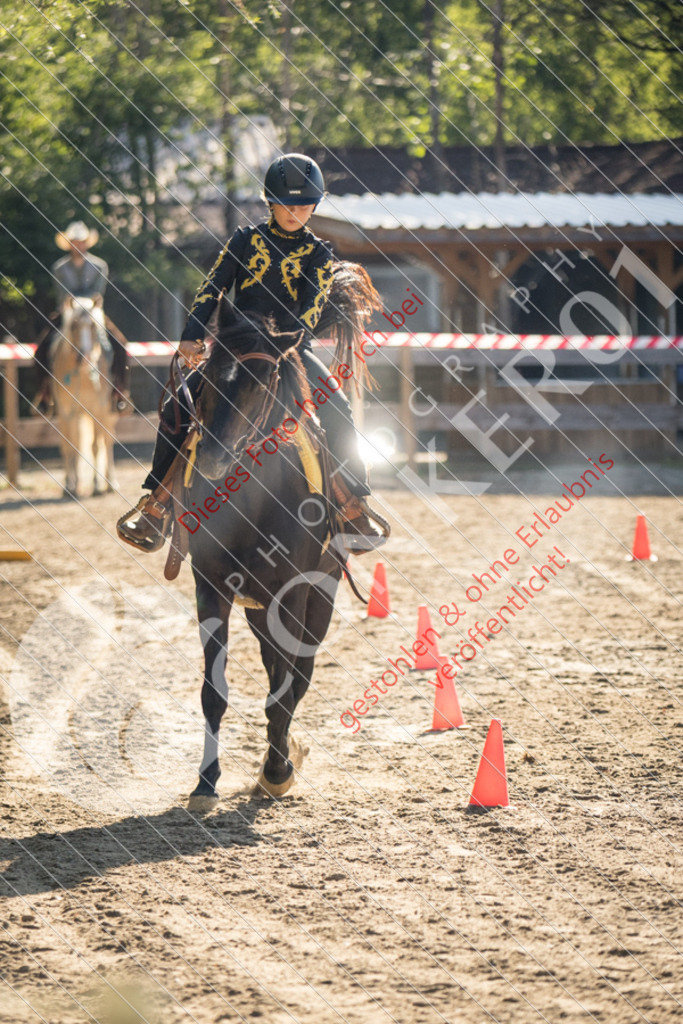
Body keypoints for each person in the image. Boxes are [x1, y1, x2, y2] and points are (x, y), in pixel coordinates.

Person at [117, 153, 386, 553]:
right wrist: (191, 335)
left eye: (304, 205)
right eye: (286, 204)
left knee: (338, 408)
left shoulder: (319, 253)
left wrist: (286, 342)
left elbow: (312, 308)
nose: (294, 212)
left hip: (288, 349)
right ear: (269, 202)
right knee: (178, 405)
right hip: (235, 347)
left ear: (315, 206)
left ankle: (352, 503)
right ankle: (157, 504)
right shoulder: (244, 240)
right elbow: (212, 288)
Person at [33, 221, 127, 412]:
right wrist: (71, 304)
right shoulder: (59, 267)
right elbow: (62, 295)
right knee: (41, 349)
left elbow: (98, 294)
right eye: (75, 242)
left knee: (120, 345)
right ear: (69, 244)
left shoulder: (99, 266)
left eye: (81, 242)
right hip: (68, 312)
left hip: (93, 312)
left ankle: (120, 391)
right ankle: (45, 393)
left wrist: (89, 303)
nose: (78, 245)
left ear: (86, 243)